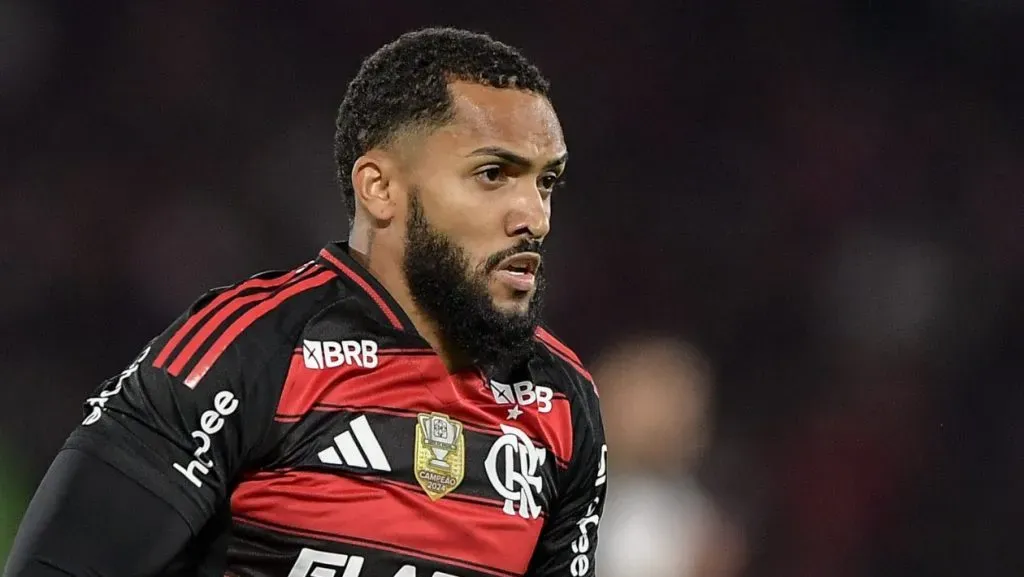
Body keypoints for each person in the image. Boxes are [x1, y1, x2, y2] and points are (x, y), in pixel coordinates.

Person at [4, 28, 606, 577]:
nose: (535, 217)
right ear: (381, 189)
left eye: (545, 181)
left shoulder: (561, 400)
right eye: (494, 174)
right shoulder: (251, 348)